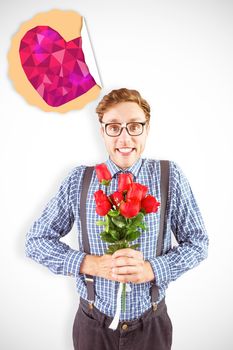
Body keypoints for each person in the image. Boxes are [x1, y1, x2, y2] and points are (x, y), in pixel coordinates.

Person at [25, 88, 209, 350]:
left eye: (134, 126)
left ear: (147, 129)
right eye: (113, 127)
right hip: (92, 326)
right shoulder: (79, 180)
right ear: (102, 131)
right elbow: (36, 241)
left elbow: (198, 243)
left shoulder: (170, 176)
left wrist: (153, 269)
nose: (124, 138)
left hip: (151, 325)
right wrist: (88, 263)